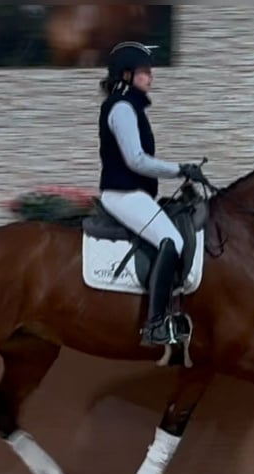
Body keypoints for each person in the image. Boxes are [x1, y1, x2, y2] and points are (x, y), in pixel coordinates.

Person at [97, 41, 206, 348]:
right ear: (127, 74)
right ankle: (155, 325)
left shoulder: (131, 106)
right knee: (171, 240)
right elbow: (136, 160)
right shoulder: (121, 108)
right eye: (145, 72)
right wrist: (179, 169)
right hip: (122, 194)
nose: (151, 77)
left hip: (134, 193)